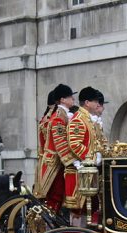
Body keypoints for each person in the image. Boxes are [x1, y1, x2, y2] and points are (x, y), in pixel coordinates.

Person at [35, 84, 77, 213]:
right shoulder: (58, 117)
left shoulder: (61, 115)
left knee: (58, 198)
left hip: (57, 162)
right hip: (54, 163)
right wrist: (73, 161)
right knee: (55, 197)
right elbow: (60, 143)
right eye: (70, 97)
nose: (73, 99)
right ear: (63, 100)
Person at [65, 87, 102, 225]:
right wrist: (91, 157)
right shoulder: (78, 119)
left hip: (88, 169)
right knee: (79, 208)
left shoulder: (87, 119)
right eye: (95, 101)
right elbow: (74, 143)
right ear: (87, 102)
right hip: (81, 171)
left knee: (90, 206)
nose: (97, 104)